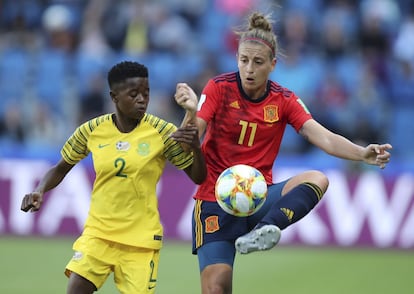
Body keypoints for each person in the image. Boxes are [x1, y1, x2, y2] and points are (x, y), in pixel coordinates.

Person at [175, 11, 392, 294]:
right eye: (243, 60)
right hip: (215, 199)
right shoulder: (218, 88)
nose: (249, 69)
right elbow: (190, 139)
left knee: (318, 178)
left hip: (259, 196)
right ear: (237, 59)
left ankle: (266, 230)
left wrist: (362, 153)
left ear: (273, 64)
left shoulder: (284, 100)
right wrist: (190, 112)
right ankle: (257, 232)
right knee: (216, 289)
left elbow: (323, 137)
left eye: (258, 62)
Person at [20, 61, 207, 294]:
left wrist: (196, 147)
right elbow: (60, 168)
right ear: (114, 96)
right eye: (134, 94)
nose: (142, 100)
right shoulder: (91, 130)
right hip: (98, 235)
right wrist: (40, 190)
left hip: (140, 242)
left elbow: (198, 177)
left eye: (146, 94)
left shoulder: (162, 131)